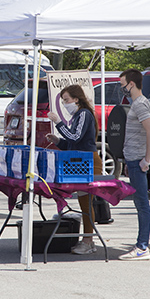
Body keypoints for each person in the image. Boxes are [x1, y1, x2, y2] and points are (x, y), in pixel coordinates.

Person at [46, 84, 101, 255]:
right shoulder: (78, 116)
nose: (65, 104)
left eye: (67, 100)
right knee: (84, 202)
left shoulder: (83, 114)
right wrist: (58, 141)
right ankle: (88, 239)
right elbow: (71, 142)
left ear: (76, 99)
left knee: (86, 202)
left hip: (89, 162)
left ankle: (88, 240)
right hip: (81, 162)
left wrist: (58, 123)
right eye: (63, 101)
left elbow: (75, 137)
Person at [117, 68, 150, 261]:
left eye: (122, 84)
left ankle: (142, 247)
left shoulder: (140, 104)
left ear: (131, 84)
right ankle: (141, 245)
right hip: (132, 160)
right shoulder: (136, 104)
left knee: (142, 204)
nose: (121, 88)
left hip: (138, 161)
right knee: (139, 203)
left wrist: (146, 160)